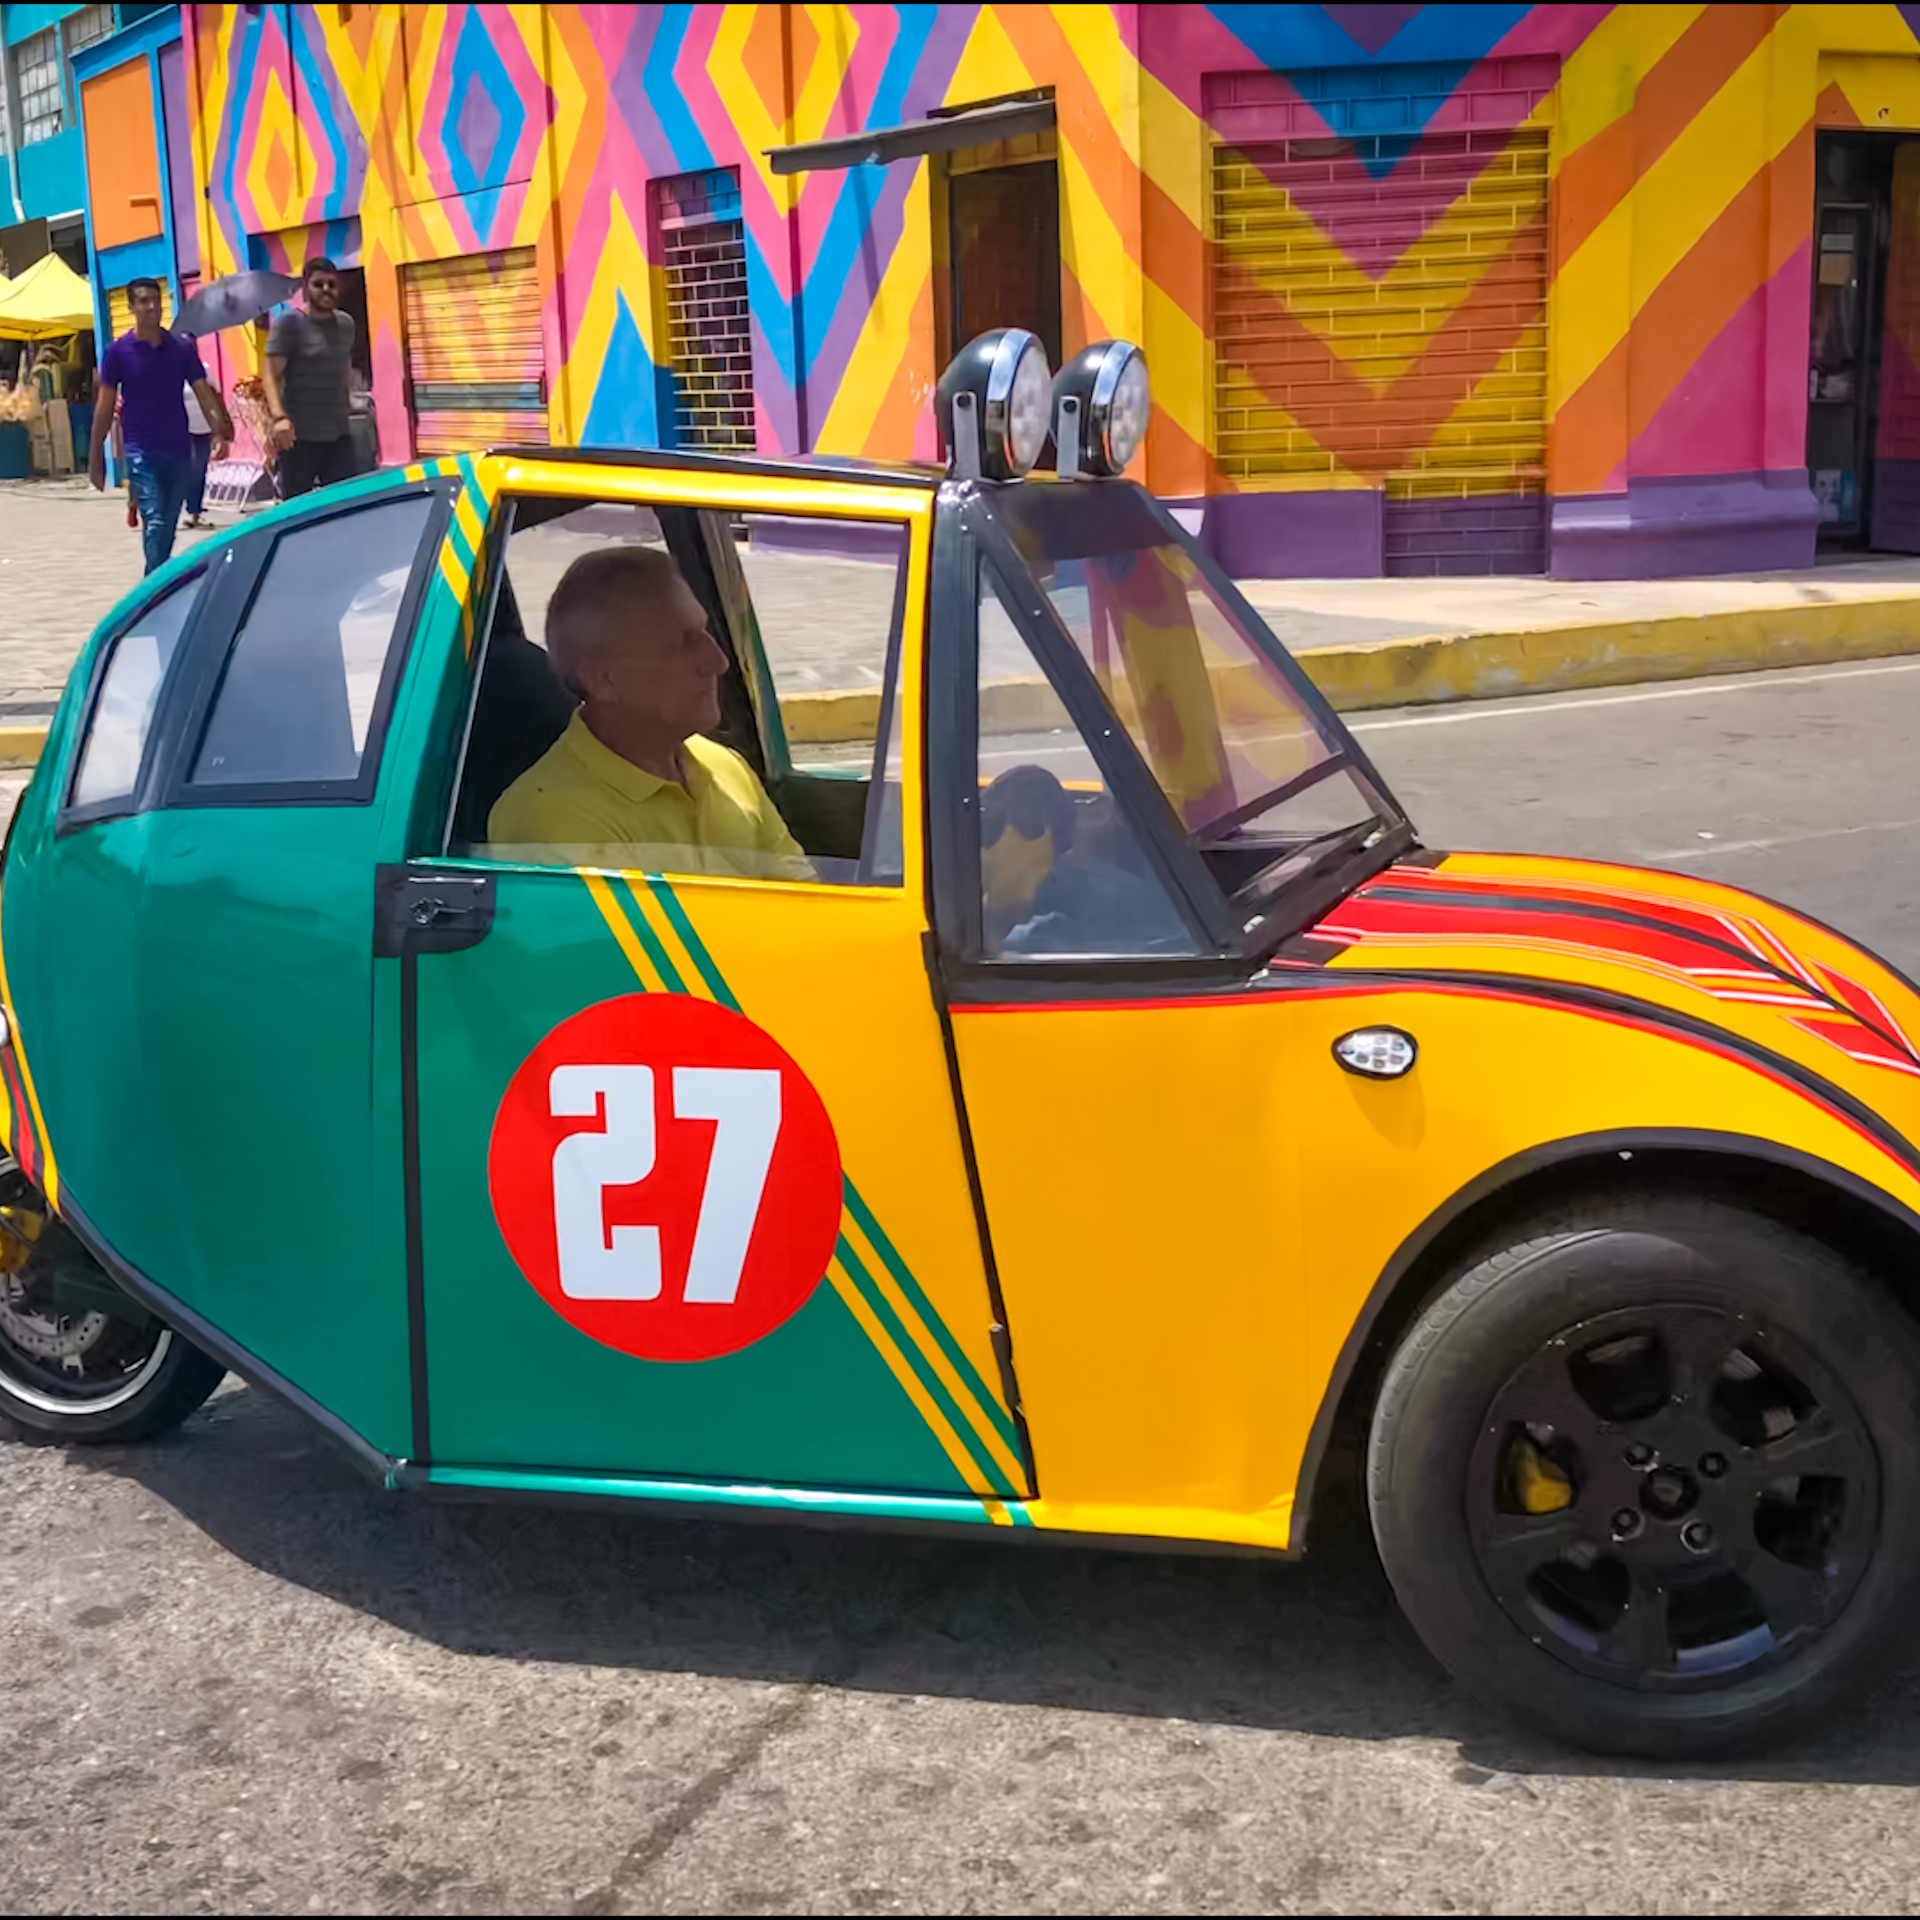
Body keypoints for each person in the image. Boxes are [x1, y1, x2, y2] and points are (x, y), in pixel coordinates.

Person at [488, 546, 811, 880]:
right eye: (683, 644)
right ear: (604, 679)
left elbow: (805, 896)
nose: (718, 662)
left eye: (704, 632)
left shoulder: (724, 765)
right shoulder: (553, 816)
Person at [89, 278, 233, 576]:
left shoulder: (180, 348)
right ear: (131, 307)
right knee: (154, 520)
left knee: (167, 523)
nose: (152, 307)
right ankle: (153, 586)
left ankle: (154, 579)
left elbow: (204, 392)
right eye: (144, 301)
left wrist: (218, 431)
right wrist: (96, 456)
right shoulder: (118, 352)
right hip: (140, 449)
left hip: (179, 447)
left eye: (156, 300)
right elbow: (105, 405)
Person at [262, 256, 356, 497]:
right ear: (306, 287)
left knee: (344, 503)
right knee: (299, 507)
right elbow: (270, 375)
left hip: (339, 433)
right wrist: (279, 418)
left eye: (331, 284)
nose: (326, 289)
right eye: (318, 284)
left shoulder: (346, 324)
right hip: (299, 436)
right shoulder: (289, 325)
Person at [181, 380, 214, 530]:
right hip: (181, 429)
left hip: (203, 429)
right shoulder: (172, 373)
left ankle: (194, 513)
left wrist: (219, 426)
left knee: (199, 472)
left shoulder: (205, 374)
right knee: (183, 471)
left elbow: (215, 397)